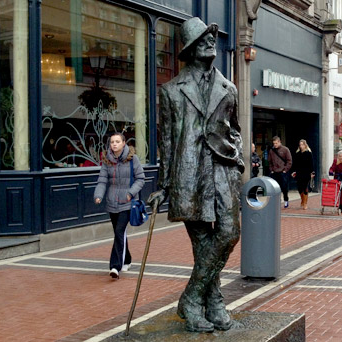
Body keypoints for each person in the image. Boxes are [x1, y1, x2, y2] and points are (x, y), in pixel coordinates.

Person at [146, 17, 244, 332]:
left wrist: (238, 158)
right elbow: (167, 140)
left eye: (211, 37)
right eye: (202, 39)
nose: (209, 41)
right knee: (202, 241)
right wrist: (164, 183)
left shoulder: (229, 87)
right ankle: (213, 302)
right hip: (188, 172)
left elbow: (236, 130)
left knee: (229, 233)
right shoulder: (171, 90)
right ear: (190, 50)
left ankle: (191, 298)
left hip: (223, 169)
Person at [94, 132, 145, 279]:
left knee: (119, 232)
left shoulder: (132, 159)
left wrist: (130, 193)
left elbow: (140, 179)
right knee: (119, 233)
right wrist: (98, 195)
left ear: (124, 143)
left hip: (127, 203)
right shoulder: (107, 160)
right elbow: (102, 180)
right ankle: (127, 259)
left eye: (117, 141)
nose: (114, 144)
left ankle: (115, 266)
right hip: (111, 202)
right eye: (112, 142)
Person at [268, 136, 293, 208]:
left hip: (283, 171)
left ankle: (286, 200)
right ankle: (277, 201)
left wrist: (285, 169)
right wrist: (271, 169)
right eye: (274, 143)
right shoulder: (271, 151)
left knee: (284, 187)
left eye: (276, 143)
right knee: (275, 188)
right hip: (274, 171)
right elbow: (269, 161)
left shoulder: (285, 150)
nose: (275, 145)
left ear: (279, 142)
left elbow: (289, 161)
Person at [290, 139, 314, 210]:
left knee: (305, 187)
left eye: (302, 145)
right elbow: (295, 164)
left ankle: (305, 203)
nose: (301, 146)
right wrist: (293, 171)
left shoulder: (309, 153)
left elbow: (311, 163)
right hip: (299, 172)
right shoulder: (297, 154)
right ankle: (302, 199)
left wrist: (312, 172)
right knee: (299, 188)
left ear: (305, 145)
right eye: (300, 145)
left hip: (306, 173)